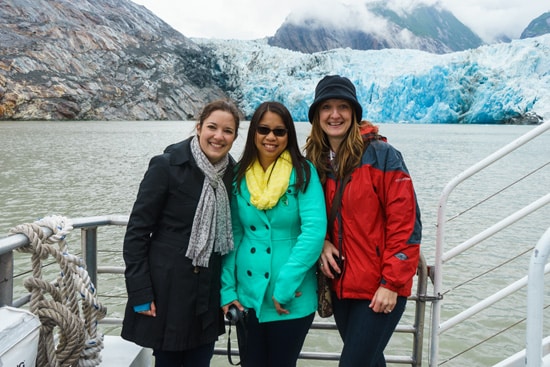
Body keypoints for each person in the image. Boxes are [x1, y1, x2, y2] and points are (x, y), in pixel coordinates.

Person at [305, 75, 422, 367]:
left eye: (343, 106)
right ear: (316, 115)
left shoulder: (382, 156)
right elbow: (304, 217)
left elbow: (406, 224)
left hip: (379, 287)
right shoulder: (315, 162)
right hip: (341, 286)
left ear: (354, 113)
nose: (335, 115)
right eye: (326, 107)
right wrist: (320, 242)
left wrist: (391, 283)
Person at [121, 100, 241, 367]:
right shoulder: (166, 166)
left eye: (228, 131)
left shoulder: (231, 175)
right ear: (198, 128)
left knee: (201, 360)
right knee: (168, 360)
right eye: (212, 127)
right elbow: (137, 234)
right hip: (167, 291)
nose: (218, 136)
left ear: (234, 136)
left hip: (207, 294)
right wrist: (140, 292)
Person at [221, 101, 327, 367]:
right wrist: (226, 289)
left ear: (288, 135)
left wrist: (285, 287)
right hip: (248, 295)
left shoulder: (303, 172)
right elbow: (233, 234)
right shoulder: (238, 175)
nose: (271, 137)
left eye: (279, 131)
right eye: (263, 129)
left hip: (292, 296)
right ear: (253, 133)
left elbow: (314, 232)